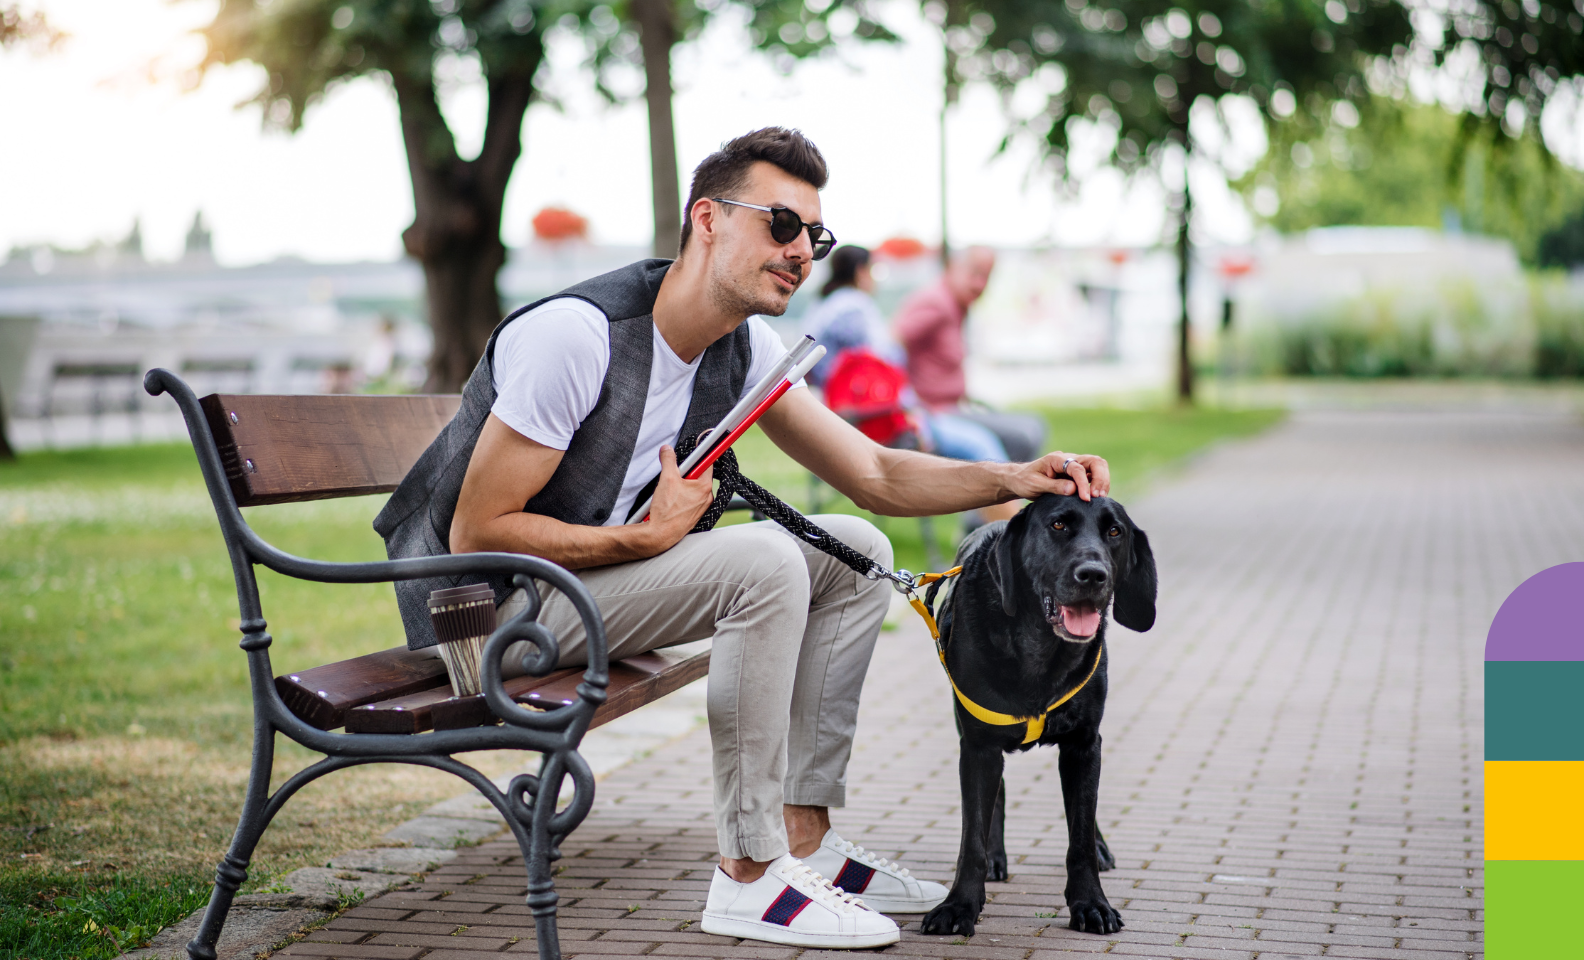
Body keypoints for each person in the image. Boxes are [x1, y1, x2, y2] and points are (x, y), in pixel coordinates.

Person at [374, 128, 1111, 950]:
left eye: (814, 236)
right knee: (762, 562)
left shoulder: (743, 346)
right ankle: (749, 875)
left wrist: (1014, 479)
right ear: (707, 220)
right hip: (488, 618)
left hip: (583, 595)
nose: (801, 252)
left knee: (855, 549)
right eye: (781, 224)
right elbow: (479, 533)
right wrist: (642, 540)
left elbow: (874, 474)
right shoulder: (576, 337)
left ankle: (806, 840)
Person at [893, 246, 1050, 467]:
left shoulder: (957, 306)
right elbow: (892, 343)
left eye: (986, 277)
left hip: (955, 408)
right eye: (974, 274)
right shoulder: (936, 302)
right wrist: (908, 404)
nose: (980, 284)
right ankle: (1006, 498)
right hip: (935, 414)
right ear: (953, 267)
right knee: (1021, 436)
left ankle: (1013, 497)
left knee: (1035, 425)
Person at [799, 244, 902, 386]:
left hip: (828, 392)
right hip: (847, 395)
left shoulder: (826, 301)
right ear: (861, 271)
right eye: (873, 270)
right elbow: (869, 358)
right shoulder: (852, 307)